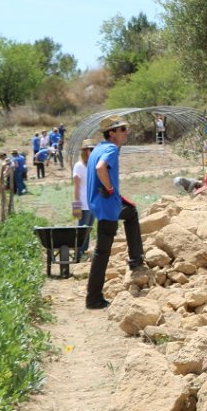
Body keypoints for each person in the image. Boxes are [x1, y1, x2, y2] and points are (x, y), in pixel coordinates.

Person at [86, 115, 146, 310]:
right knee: (101, 253)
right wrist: (111, 190)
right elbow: (100, 168)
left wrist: (119, 197)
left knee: (131, 212)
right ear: (112, 133)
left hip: (101, 204)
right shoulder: (111, 149)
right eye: (122, 130)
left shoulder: (98, 148)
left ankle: (136, 258)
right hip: (107, 206)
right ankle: (93, 299)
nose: (126, 133)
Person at [72, 138, 96, 260]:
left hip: (93, 203)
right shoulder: (79, 166)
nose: (92, 151)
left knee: (89, 229)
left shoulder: (93, 166)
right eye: (90, 149)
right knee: (82, 229)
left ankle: (84, 251)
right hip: (83, 203)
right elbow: (76, 186)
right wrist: (76, 205)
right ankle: (78, 254)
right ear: (85, 151)